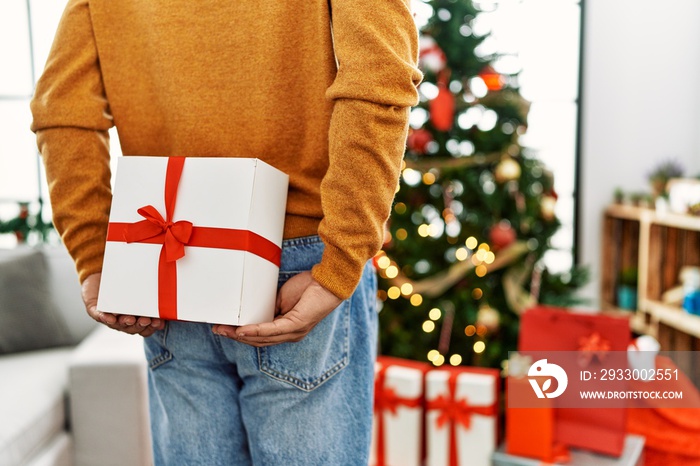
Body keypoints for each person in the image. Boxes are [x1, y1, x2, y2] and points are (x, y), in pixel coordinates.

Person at [30, 0, 421, 464]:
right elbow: (379, 81)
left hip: (166, 257)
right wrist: (339, 262)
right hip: (300, 265)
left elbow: (63, 110)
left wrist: (97, 258)